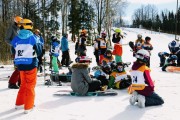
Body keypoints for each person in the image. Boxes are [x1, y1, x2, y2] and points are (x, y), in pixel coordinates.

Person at [11, 19, 42, 113]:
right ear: (29, 26)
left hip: (20, 65)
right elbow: (39, 51)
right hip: (31, 64)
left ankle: (19, 103)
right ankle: (28, 106)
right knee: (30, 85)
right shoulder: (33, 38)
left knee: (23, 84)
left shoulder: (16, 38)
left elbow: (13, 51)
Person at [5, 16, 23, 89]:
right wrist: (14, 44)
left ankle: (20, 82)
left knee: (22, 66)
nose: (20, 24)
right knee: (18, 67)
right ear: (16, 22)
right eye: (19, 22)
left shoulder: (20, 29)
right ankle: (11, 83)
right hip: (14, 49)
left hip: (21, 50)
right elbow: (7, 39)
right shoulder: (11, 28)